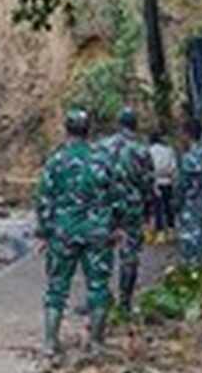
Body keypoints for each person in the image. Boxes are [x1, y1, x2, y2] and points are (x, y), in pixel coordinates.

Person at [35, 109, 124, 356]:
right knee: (98, 287)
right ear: (89, 130)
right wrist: (117, 226)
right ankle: (96, 343)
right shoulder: (103, 158)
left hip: (63, 233)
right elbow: (116, 196)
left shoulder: (55, 161)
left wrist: (43, 232)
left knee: (57, 287)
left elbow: (44, 199)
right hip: (97, 233)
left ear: (67, 129)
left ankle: (50, 343)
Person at [97, 107, 154, 313]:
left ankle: (99, 298)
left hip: (105, 208)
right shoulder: (141, 150)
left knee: (101, 252)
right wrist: (149, 211)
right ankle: (124, 303)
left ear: (118, 123)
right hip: (131, 208)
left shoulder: (101, 147)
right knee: (129, 256)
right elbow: (148, 183)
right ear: (135, 124)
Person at [175, 119, 202, 266]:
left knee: (190, 241)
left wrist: (176, 203)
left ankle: (192, 273)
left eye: (181, 133)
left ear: (187, 135)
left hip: (190, 206)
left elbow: (182, 185)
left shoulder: (188, 158)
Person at [149, 132, 178, 244]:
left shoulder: (150, 151)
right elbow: (174, 167)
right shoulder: (169, 150)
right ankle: (171, 231)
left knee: (158, 208)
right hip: (168, 181)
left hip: (156, 181)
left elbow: (148, 167)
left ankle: (160, 233)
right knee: (169, 206)